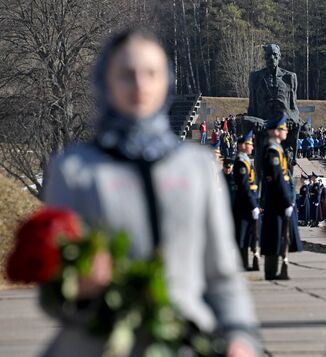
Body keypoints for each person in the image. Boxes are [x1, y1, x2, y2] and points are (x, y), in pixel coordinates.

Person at [41, 28, 259, 357]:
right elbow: (50, 289)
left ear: (165, 81)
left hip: (185, 340)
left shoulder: (196, 166)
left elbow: (221, 273)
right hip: (99, 343)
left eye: (151, 73)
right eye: (126, 75)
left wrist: (240, 336)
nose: (140, 85)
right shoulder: (73, 169)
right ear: (105, 81)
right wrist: (78, 290)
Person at [260, 113, 302, 280]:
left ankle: (274, 271)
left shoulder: (276, 149)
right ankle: (272, 271)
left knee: (278, 237)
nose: (286, 131)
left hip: (279, 200)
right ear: (275, 131)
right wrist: (287, 202)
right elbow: (278, 179)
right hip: (277, 201)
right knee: (275, 237)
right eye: (283, 129)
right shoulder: (272, 152)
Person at [232, 131, 261, 271]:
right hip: (244, 204)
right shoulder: (241, 162)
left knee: (247, 234)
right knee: (242, 235)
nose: (252, 147)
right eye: (249, 144)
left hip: (247, 202)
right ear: (242, 146)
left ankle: (245, 263)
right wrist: (253, 205)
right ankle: (242, 264)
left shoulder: (245, 160)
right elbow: (244, 187)